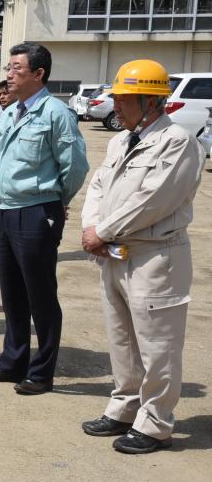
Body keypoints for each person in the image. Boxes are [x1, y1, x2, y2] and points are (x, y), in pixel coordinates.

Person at [79, 60, 202, 454]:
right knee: (122, 338)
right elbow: (98, 186)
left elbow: (152, 200)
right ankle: (124, 407)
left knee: (157, 344)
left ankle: (156, 422)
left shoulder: (177, 143)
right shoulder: (120, 141)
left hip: (154, 256)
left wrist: (103, 231)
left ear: (152, 101)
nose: (116, 106)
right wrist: (91, 228)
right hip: (114, 252)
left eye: (124, 100)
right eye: (116, 98)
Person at [0, 43, 89, 390]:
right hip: (5, 209)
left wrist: (56, 201)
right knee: (11, 295)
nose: (8, 75)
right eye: (7, 68)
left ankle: (41, 372)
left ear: (39, 74)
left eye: (16, 68)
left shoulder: (57, 113)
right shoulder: (10, 112)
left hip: (37, 211)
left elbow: (75, 167)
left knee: (40, 294)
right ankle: (12, 361)